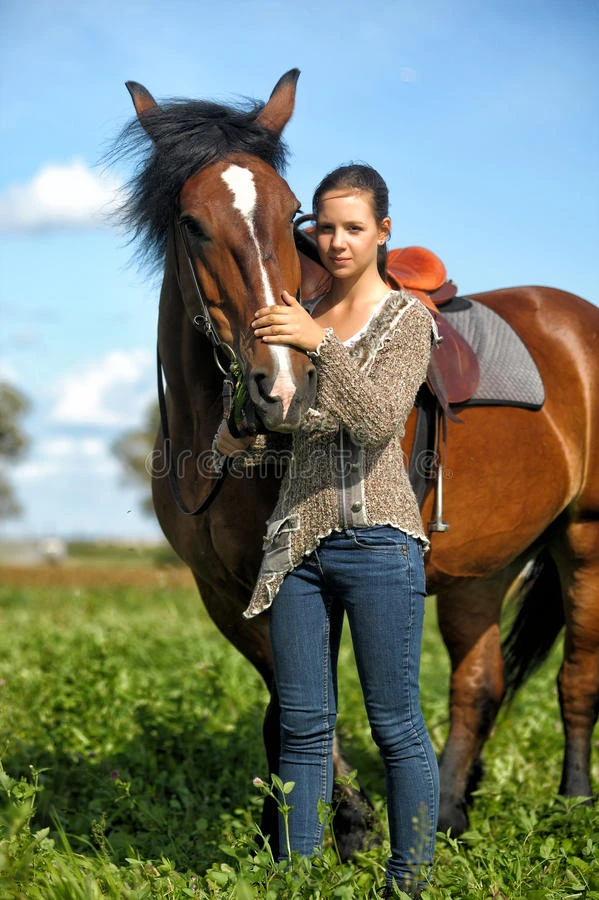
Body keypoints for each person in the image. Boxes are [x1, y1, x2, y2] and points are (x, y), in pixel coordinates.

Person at [217, 163, 439, 897]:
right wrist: (242, 420)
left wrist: (318, 343)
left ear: (381, 232)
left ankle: (406, 883)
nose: (337, 242)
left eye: (353, 227)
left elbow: (376, 421)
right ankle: (300, 883)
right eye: (325, 227)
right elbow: (294, 424)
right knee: (304, 728)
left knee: (395, 726)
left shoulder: (407, 319)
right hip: (297, 552)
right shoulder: (297, 309)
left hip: (380, 543)